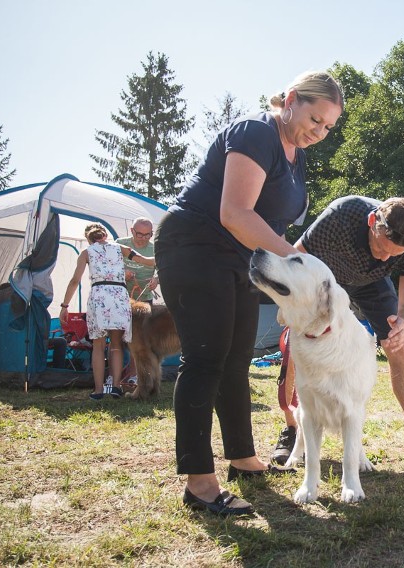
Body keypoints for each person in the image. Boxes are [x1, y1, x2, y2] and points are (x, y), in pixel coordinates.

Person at [154, 70, 344, 516]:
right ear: (292, 99)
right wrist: (298, 263)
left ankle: (243, 459)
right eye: (315, 119)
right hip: (194, 246)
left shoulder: (294, 152)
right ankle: (199, 484)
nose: (319, 132)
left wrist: (288, 262)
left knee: (237, 360)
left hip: (240, 260)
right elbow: (235, 213)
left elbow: (270, 224)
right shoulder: (257, 132)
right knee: (205, 359)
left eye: (328, 127)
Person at [271, 195, 404, 465]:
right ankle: (292, 430)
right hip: (326, 280)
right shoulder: (341, 215)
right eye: (381, 248)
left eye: (392, 256)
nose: (384, 257)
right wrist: (293, 307)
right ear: (372, 221)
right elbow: (296, 258)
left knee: (397, 344)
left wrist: (403, 327)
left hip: (371, 284)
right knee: (297, 339)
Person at [59, 223, 155, 400]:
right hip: (119, 296)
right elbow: (146, 261)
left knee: (98, 345)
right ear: (105, 235)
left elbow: (74, 281)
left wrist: (65, 306)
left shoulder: (86, 253)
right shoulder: (121, 248)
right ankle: (116, 387)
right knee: (117, 345)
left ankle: (98, 390)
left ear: (89, 238)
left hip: (99, 296)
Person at [116, 218, 158, 303]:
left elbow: (161, 269)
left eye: (147, 235)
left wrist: (156, 279)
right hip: (120, 296)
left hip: (145, 298)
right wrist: (122, 272)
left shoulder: (155, 249)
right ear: (132, 231)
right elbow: (109, 265)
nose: (143, 238)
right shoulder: (120, 244)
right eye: (140, 234)